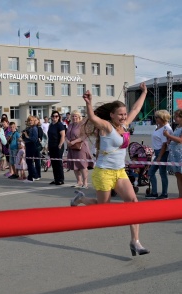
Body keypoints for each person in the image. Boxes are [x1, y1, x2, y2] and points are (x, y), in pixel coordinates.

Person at [71, 82, 150, 256]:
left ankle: (135, 241)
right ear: (112, 115)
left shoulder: (126, 125)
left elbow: (136, 109)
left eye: (124, 114)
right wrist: (89, 103)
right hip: (103, 172)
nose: (123, 117)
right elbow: (93, 118)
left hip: (120, 172)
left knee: (133, 203)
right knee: (103, 207)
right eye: (120, 114)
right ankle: (82, 199)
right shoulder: (106, 127)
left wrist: (143, 92)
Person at [145, 110, 173, 200]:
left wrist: (160, 156)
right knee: (151, 172)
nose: (155, 118)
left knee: (162, 173)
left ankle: (164, 193)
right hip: (157, 152)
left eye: (157, 117)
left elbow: (164, 144)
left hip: (162, 152)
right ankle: (154, 192)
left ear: (162, 118)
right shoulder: (159, 126)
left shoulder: (166, 129)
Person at [66, 110, 92, 188]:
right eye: (73, 116)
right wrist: (67, 141)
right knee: (74, 165)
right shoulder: (70, 125)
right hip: (71, 147)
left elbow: (84, 136)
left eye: (76, 116)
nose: (74, 117)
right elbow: (66, 135)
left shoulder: (82, 124)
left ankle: (85, 183)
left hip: (80, 147)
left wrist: (74, 142)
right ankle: (79, 182)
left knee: (82, 165)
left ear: (79, 117)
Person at [163, 109, 182, 197]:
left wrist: (168, 136)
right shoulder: (178, 127)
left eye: (177, 116)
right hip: (175, 154)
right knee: (178, 175)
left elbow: (180, 140)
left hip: (180, 154)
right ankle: (180, 196)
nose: (175, 118)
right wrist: (169, 141)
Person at [47, 111, 65, 185]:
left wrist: (60, 144)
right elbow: (49, 136)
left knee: (58, 163)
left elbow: (63, 135)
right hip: (51, 145)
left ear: (59, 117)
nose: (55, 117)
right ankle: (56, 179)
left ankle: (61, 179)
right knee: (53, 163)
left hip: (58, 146)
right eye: (53, 116)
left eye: (56, 116)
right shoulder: (51, 125)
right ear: (51, 117)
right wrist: (48, 145)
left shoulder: (59, 125)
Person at [22, 115, 40, 182]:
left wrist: (27, 136)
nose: (30, 122)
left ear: (34, 121)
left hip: (32, 146)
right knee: (28, 161)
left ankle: (35, 175)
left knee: (29, 161)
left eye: (31, 120)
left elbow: (34, 139)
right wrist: (23, 137)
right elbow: (25, 137)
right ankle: (30, 176)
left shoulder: (34, 128)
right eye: (29, 120)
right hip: (28, 145)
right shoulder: (29, 128)